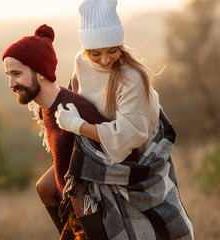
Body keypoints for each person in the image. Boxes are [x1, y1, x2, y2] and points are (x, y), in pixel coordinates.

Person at [53, 0, 194, 239]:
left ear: (120, 44)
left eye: (113, 50)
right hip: (97, 144)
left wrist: (77, 125)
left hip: (134, 156)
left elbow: (126, 136)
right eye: (96, 53)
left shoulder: (131, 78)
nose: (106, 60)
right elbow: (76, 94)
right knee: (47, 189)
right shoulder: (81, 62)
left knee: (82, 200)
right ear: (86, 50)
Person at [2, 24, 132, 239]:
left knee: (79, 199)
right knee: (43, 187)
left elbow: (122, 149)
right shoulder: (45, 108)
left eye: (16, 74)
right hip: (71, 201)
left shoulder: (73, 108)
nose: (11, 83)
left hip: (95, 203)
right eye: (9, 75)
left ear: (41, 72)